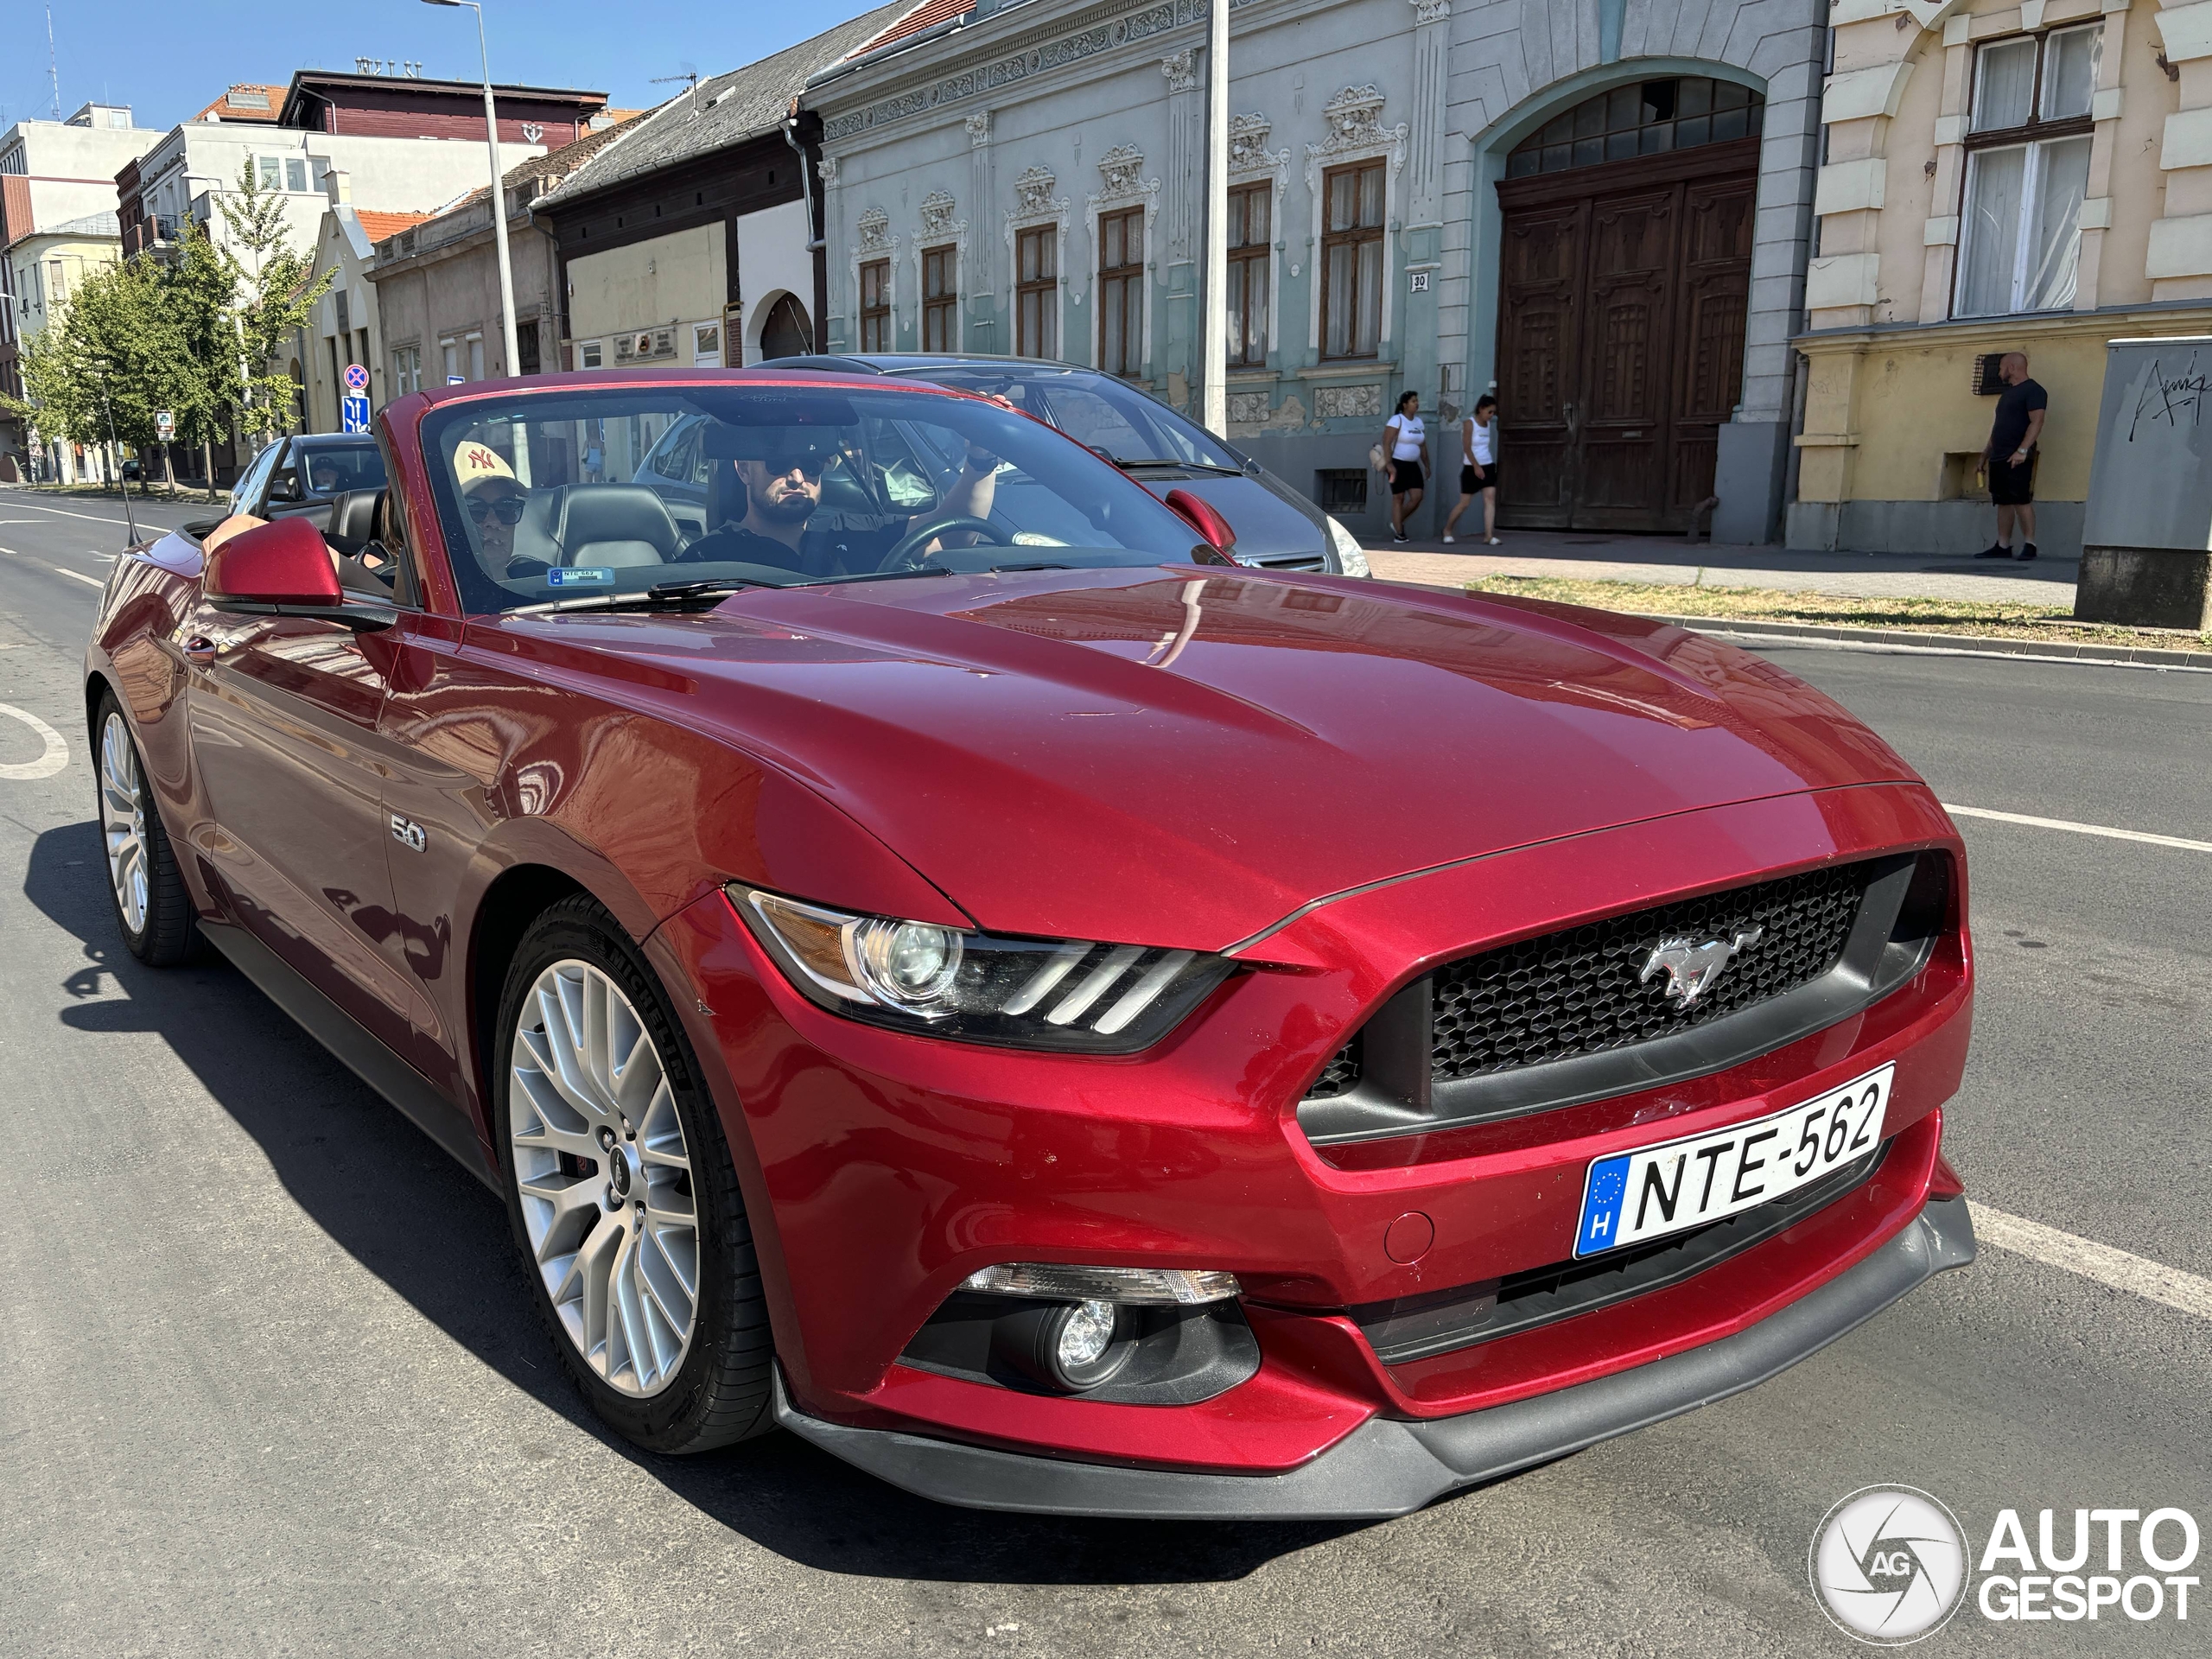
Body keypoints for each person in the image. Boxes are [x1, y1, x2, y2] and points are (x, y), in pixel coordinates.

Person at [686, 424, 999, 575]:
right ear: (743, 471)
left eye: (810, 466)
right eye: (777, 465)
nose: (797, 478)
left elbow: (954, 534)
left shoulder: (853, 532)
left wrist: (981, 460)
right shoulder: (708, 559)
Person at [1977, 352, 2047, 562]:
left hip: (2018, 456)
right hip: (1999, 456)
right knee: (2003, 501)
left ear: (2012, 368)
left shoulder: (2034, 390)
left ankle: (2030, 544)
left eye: (2001, 367)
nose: (1999, 371)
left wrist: (2023, 450)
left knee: (2020, 499)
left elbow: (2037, 422)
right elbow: (1997, 429)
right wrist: (1984, 457)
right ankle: (2003, 545)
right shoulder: (2007, 395)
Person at [451, 439, 533, 576]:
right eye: (474, 509)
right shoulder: (423, 594)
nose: (494, 522)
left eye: (506, 508)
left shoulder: (540, 586)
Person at [1443, 394, 1502, 546]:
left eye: (1494, 412)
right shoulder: (1469, 424)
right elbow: (1467, 448)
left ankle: (1488, 535)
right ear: (1481, 409)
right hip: (1471, 467)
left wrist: (1484, 466)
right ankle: (1447, 530)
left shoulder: (1488, 424)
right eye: (1489, 412)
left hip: (1487, 465)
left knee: (1489, 499)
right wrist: (1476, 466)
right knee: (1464, 503)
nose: (1491, 415)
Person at [1380, 391, 1427, 543]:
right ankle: (1399, 533)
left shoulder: (1419, 422)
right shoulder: (1397, 420)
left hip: (1413, 465)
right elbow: (1386, 442)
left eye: (1417, 400)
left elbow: (1423, 445)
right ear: (1405, 404)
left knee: (1417, 497)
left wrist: (1427, 465)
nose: (1417, 403)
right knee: (1398, 498)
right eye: (1413, 401)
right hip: (1397, 464)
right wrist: (1389, 464)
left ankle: (1397, 522)